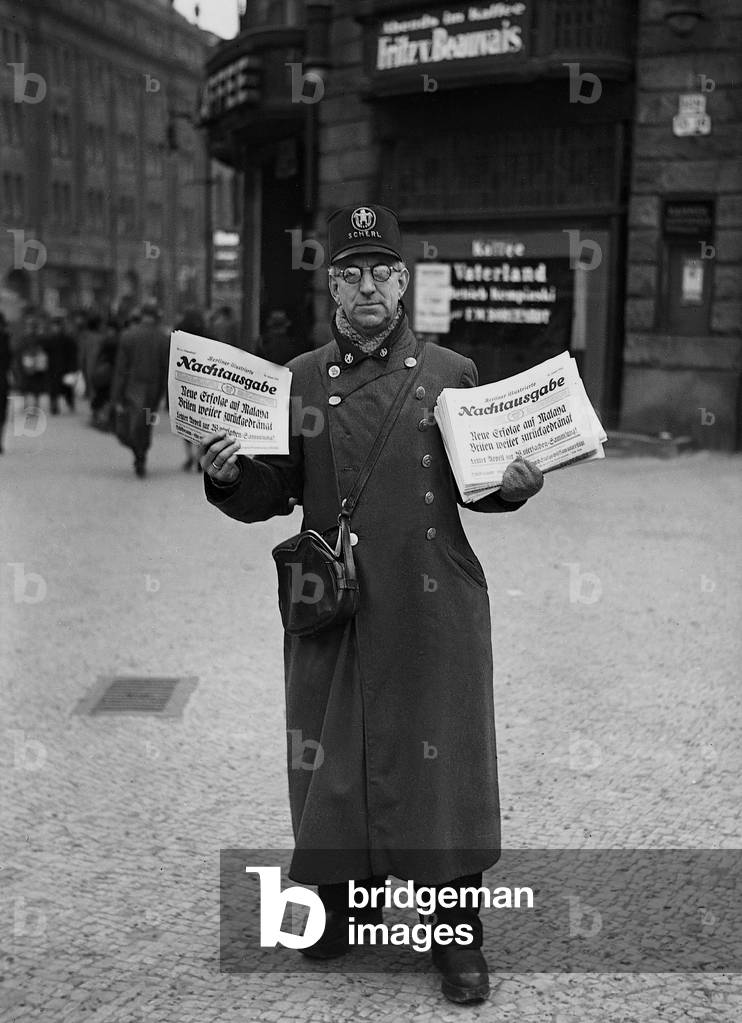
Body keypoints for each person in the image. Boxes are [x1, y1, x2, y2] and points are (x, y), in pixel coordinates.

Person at [198, 204, 544, 1004]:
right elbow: (273, 491)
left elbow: (478, 485)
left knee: (441, 765)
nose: (365, 287)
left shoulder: (451, 373)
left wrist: (515, 486)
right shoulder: (301, 377)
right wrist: (226, 474)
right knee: (335, 759)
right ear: (332, 285)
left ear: (402, 284)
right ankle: (343, 900)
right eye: (349, 272)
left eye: (380, 272)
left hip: (433, 603)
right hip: (337, 602)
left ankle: (456, 934)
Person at [111, 297, 169, 477]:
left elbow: (121, 369)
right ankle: (141, 453)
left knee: (131, 422)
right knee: (145, 422)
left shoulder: (128, 335)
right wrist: (167, 397)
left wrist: (116, 396)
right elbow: (166, 367)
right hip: (153, 389)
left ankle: (138, 452)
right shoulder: (162, 338)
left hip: (132, 388)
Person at [174, 307, 207, 471]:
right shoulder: (209, 337)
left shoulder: (179, 339)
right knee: (201, 427)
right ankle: (200, 458)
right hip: (203, 389)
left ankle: (190, 457)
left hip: (184, 387)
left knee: (186, 425)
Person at [0, 312, 10, 453]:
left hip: (2, 379)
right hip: (2, 380)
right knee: (1, 412)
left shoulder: (6, 339)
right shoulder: (6, 338)